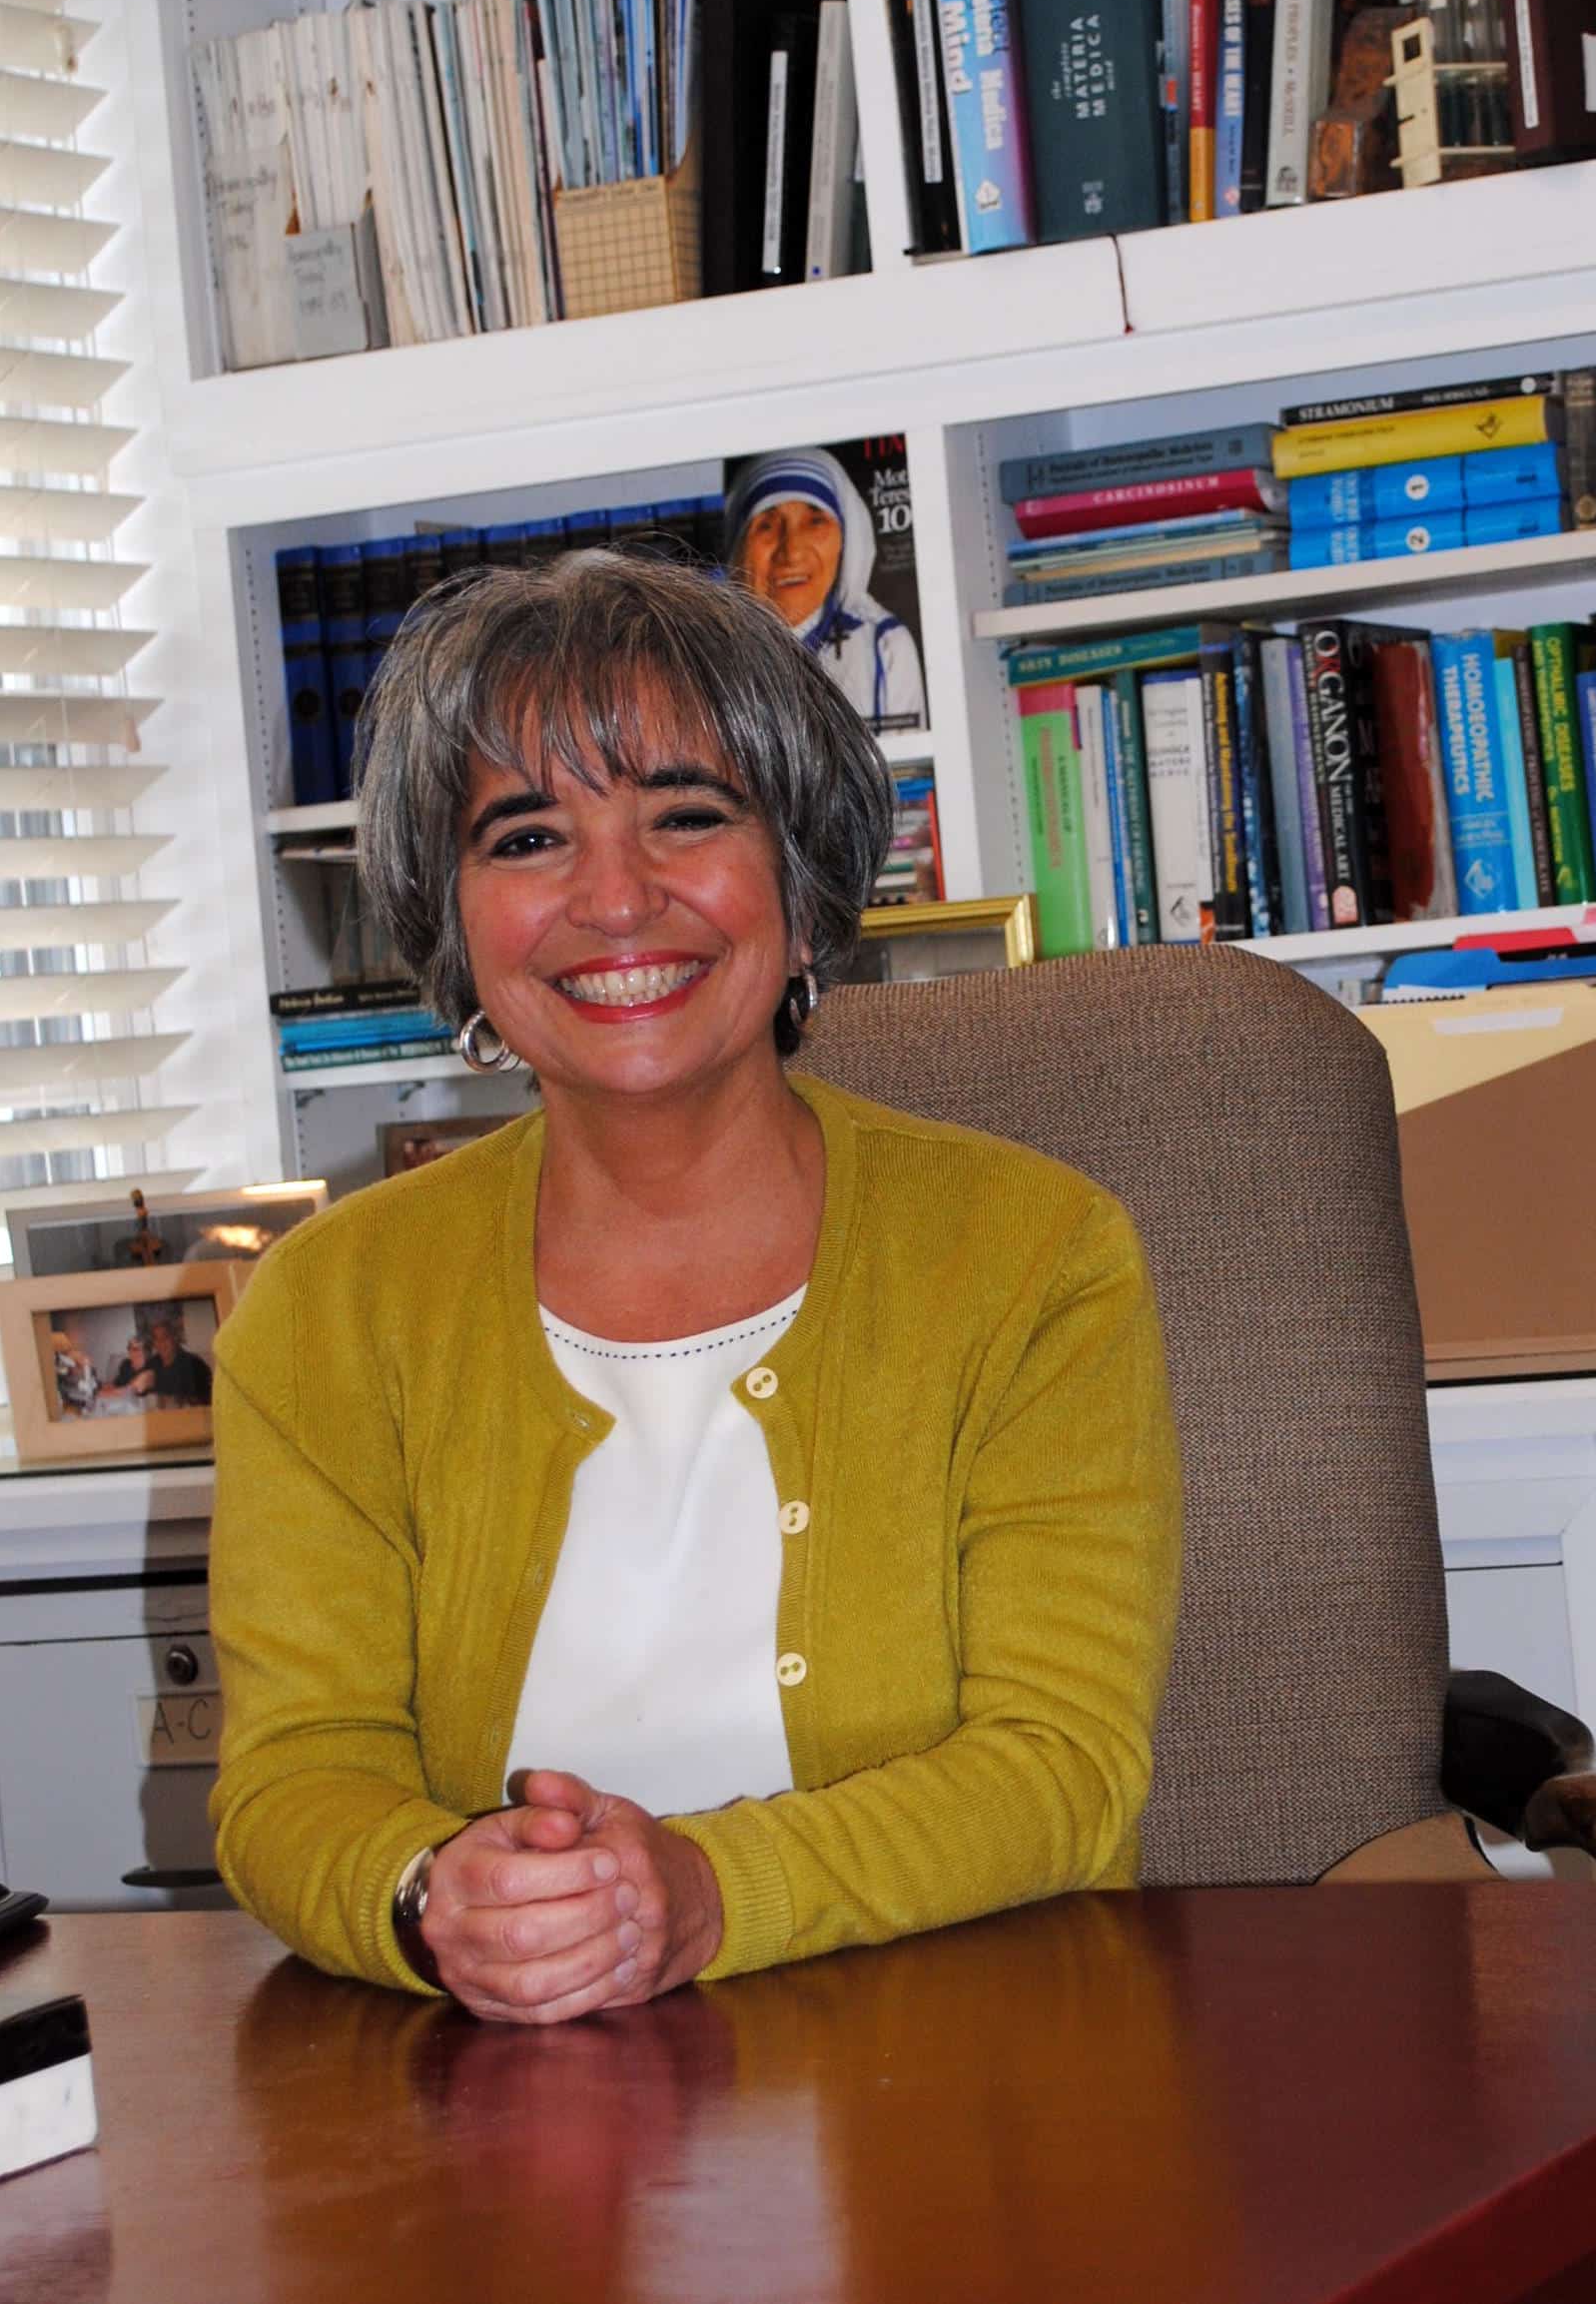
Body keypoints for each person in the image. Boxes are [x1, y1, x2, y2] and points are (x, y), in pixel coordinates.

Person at [209, 553, 1180, 2028]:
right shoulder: (327, 1308)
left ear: (799, 872)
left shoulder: (1034, 1258)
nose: (615, 897)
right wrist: (427, 1893)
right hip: (512, 2090)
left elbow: (1062, 1762)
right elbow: (294, 1773)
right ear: (452, 914)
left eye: (686, 815)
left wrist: (706, 1891)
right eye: (528, 835)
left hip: (964, 2068)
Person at [724, 448, 927, 735]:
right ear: (738, 548)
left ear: (844, 541)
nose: (792, 553)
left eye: (815, 522)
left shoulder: (885, 646)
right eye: (766, 526)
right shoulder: (707, 654)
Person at [147, 1317, 213, 1406]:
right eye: (156, 1338)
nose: (161, 1342)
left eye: (165, 1336)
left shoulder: (195, 1364)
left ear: (174, 1338)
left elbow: (209, 1400)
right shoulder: (150, 1366)